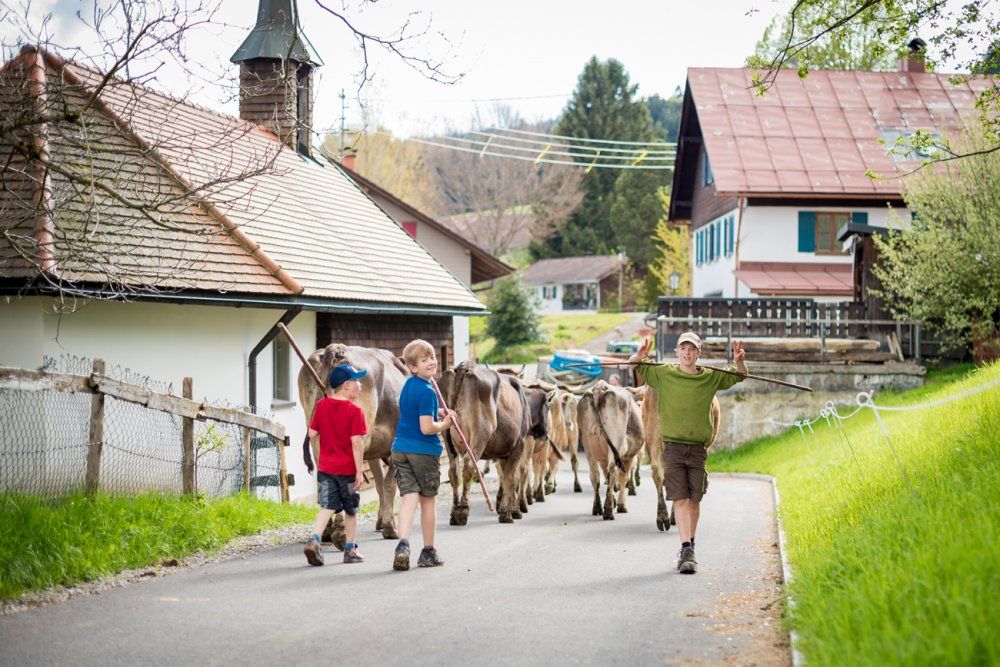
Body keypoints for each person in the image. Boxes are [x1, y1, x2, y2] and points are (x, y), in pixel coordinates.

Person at [629, 332, 747, 574]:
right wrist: (638, 356)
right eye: (683, 349)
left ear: (698, 353)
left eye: (691, 349)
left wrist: (739, 361)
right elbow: (635, 366)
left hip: (697, 449)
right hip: (672, 447)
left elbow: (740, 375)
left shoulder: (710, 377)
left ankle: (690, 544)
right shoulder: (664, 374)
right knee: (680, 499)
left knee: (694, 500)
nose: (687, 353)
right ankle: (686, 550)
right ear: (677, 352)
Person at [390, 339, 453, 571]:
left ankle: (403, 544)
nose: (431, 362)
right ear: (412, 367)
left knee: (409, 497)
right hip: (423, 453)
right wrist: (445, 424)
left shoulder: (409, 384)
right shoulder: (427, 391)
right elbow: (427, 428)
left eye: (432, 357)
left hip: (400, 449)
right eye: (424, 360)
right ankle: (428, 552)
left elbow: (415, 411)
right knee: (428, 502)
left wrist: (438, 411)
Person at [303, 363, 368, 567]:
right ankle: (350, 550)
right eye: (357, 381)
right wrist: (359, 471)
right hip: (347, 472)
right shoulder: (355, 411)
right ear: (346, 385)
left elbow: (312, 433)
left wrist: (327, 422)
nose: (360, 385)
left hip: (325, 470)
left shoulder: (322, 405)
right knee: (351, 510)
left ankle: (314, 539)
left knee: (328, 506)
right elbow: (356, 443)